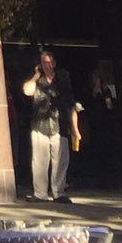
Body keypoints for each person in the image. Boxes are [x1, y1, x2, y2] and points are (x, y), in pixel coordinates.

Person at [22, 48, 81, 200]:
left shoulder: (62, 81)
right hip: (39, 125)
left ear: (54, 63)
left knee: (60, 161)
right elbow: (27, 91)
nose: (46, 65)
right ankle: (40, 193)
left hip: (59, 125)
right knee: (40, 161)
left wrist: (75, 129)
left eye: (49, 62)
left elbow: (71, 105)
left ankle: (59, 192)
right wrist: (36, 75)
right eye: (43, 62)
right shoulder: (37, 80)